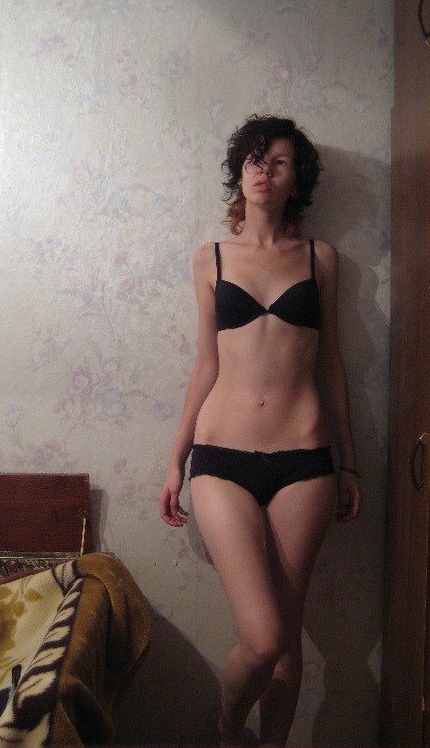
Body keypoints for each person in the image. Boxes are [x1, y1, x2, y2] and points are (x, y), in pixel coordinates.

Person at [160, 114, 362, 748]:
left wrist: (349, 462)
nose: (263, 170)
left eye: (278, 161)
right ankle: (228, 729)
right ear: (239, 172)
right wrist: (176, 461)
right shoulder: (211, 258)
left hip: (305, 461)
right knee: (264, 637)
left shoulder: (320, 258)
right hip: (222, 459)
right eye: (254, 158)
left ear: (296, 178)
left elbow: (331, 364)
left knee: (287, 636)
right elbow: (205, 364)